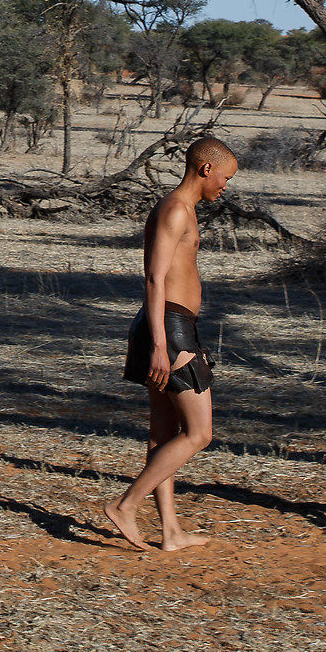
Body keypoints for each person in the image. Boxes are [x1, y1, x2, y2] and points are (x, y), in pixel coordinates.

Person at [106, 137, 237, 554]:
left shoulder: (182, 209)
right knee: (199, 433)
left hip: (172, 326)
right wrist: (161, 346)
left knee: (164, 435)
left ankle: (171, 531)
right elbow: (154, 278)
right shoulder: (176, 209)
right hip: (171, 330)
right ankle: (126, 505)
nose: (225, 186)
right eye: (225, 178)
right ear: (205, 170)